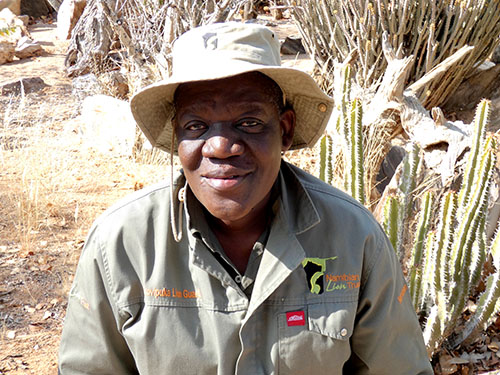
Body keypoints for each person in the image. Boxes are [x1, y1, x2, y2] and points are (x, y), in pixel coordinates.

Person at [58, 22, 433, 374]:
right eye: (196, 126)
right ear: (177, 137)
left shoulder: (353, 237)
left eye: (249, 123)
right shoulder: (121, 245)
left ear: (284, 130)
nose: (220, 146)